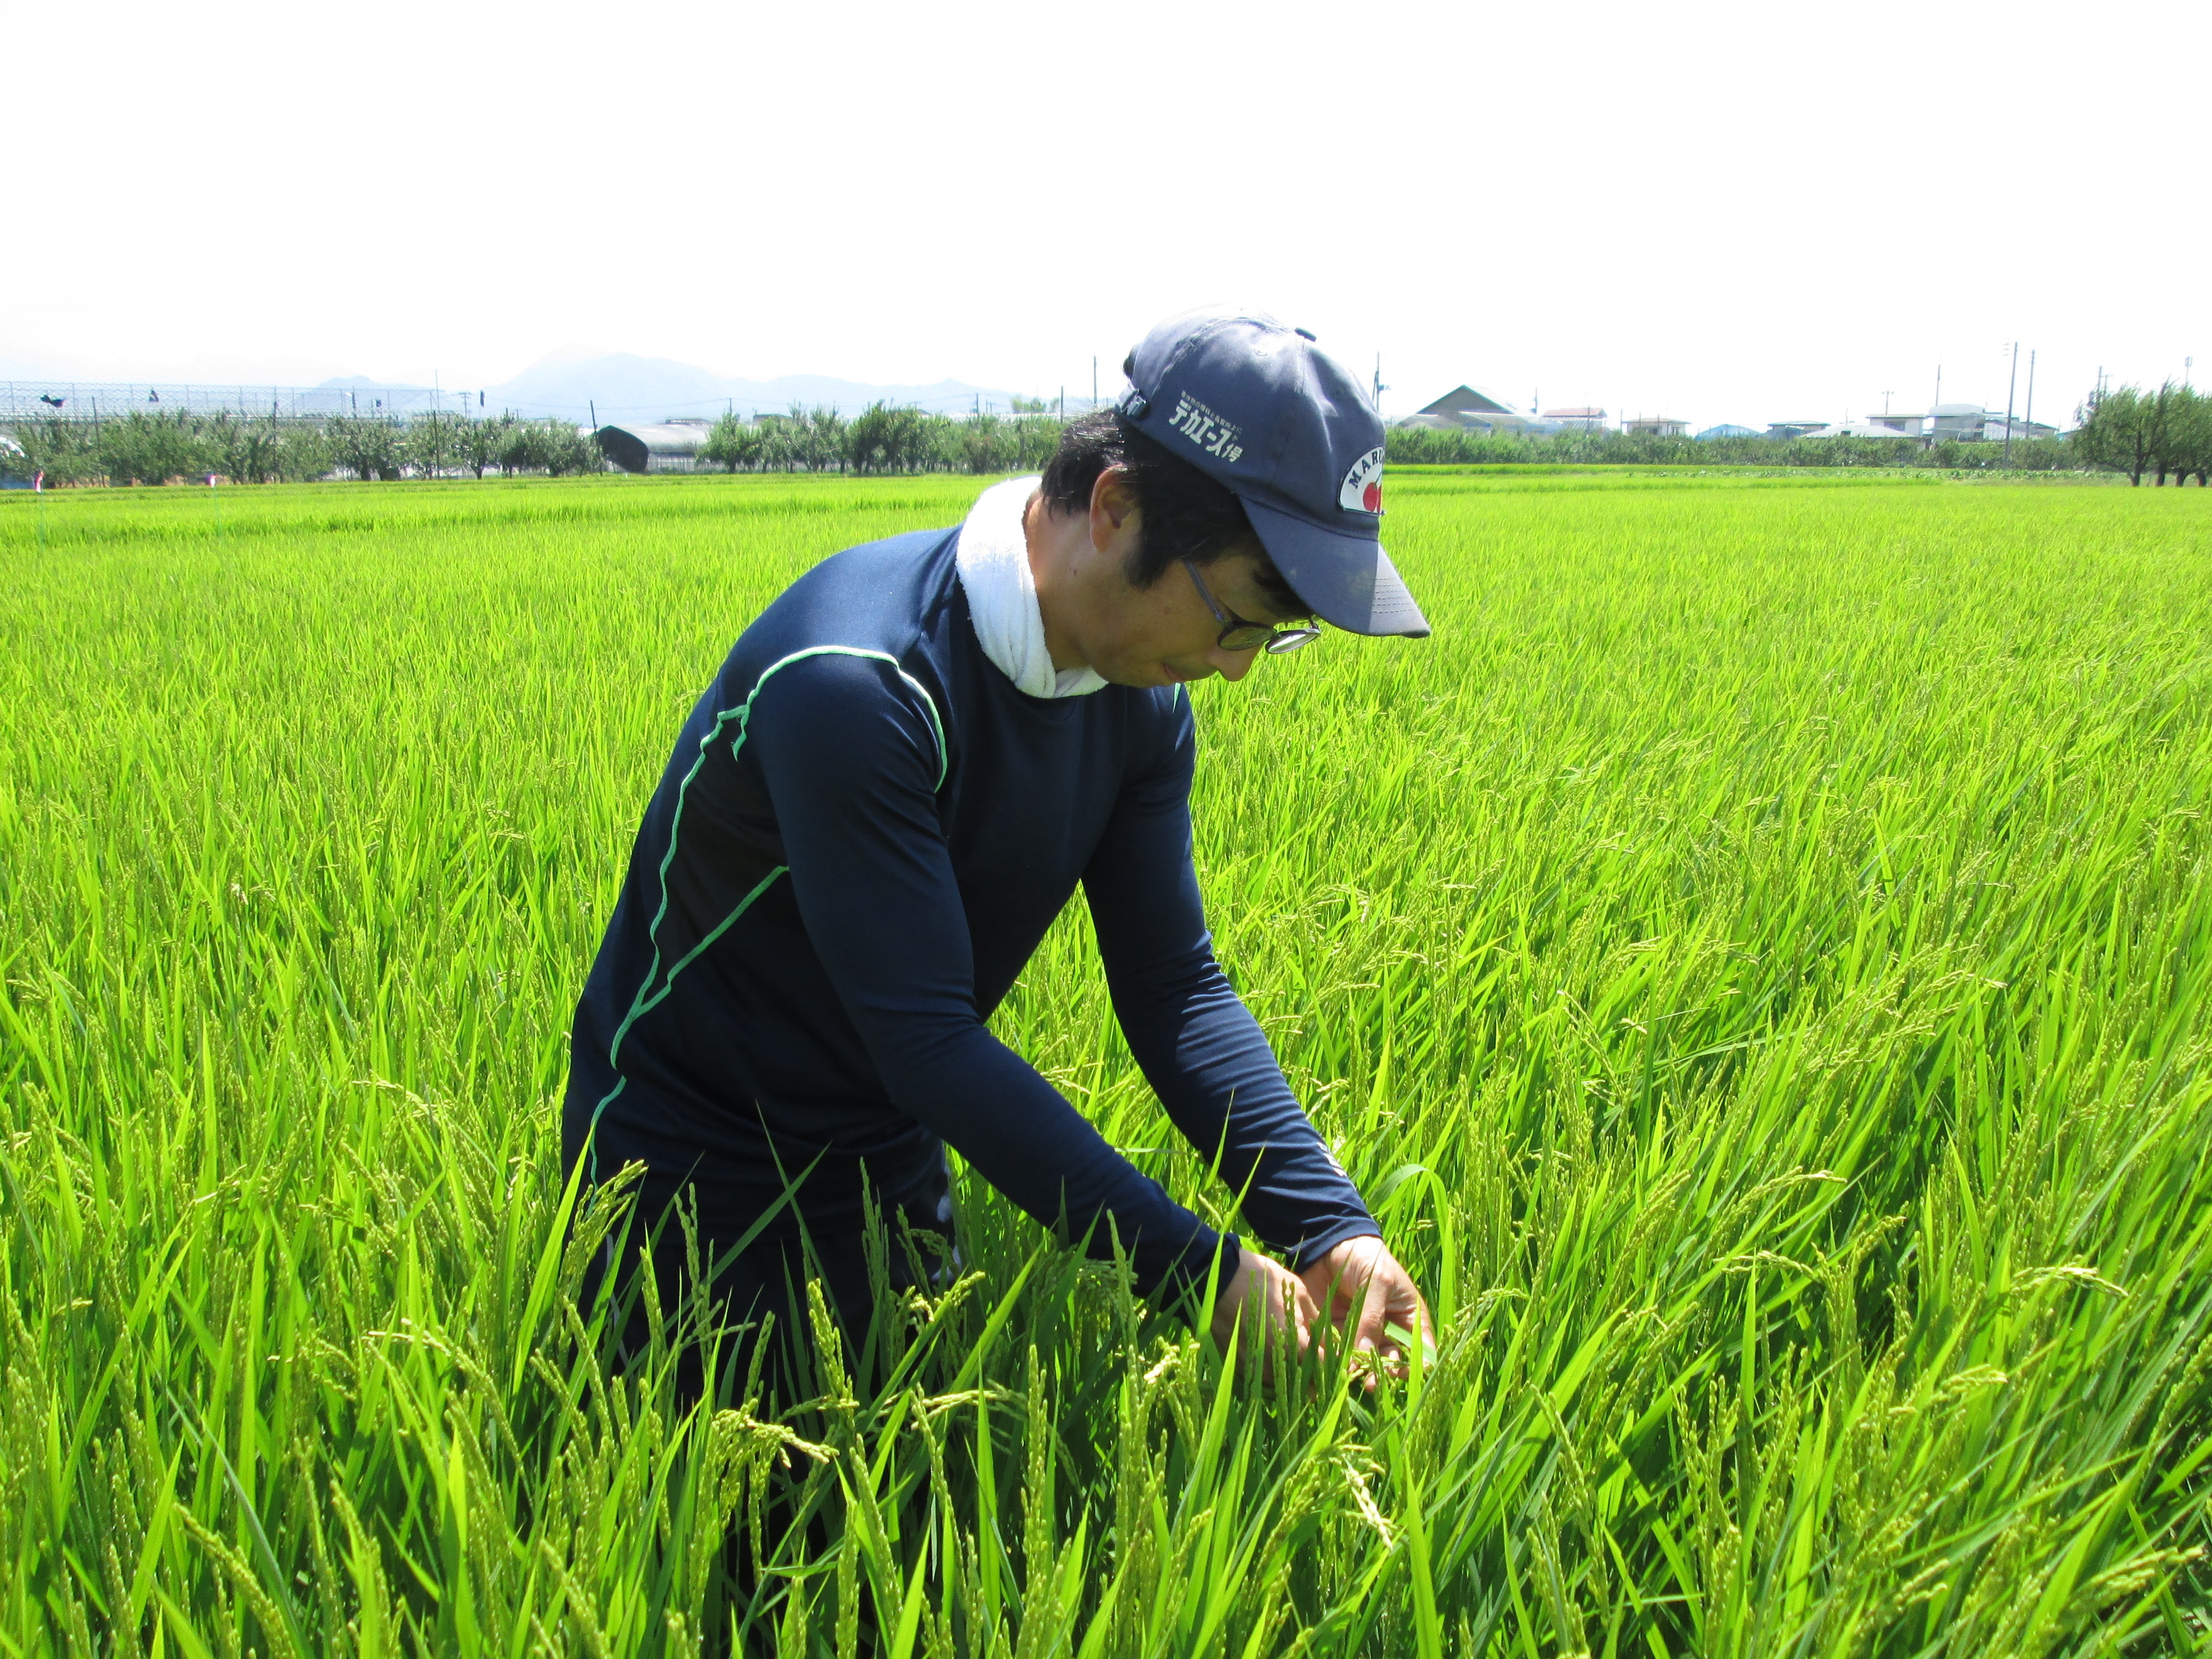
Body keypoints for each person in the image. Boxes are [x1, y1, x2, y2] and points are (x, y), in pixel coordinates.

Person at [563, 307, 1434, 1400]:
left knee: (914, 1510)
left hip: (887, 1142)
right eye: (1244, 614)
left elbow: (1173, 988)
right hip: (688, 1154)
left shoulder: (1139, 700)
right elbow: (926, 1037)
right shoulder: (860, 683)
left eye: (1276, 634)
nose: (1240, 667)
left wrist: (1325, 1223)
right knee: (720, 1529)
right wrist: (1195, 1272)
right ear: (1116, 507)